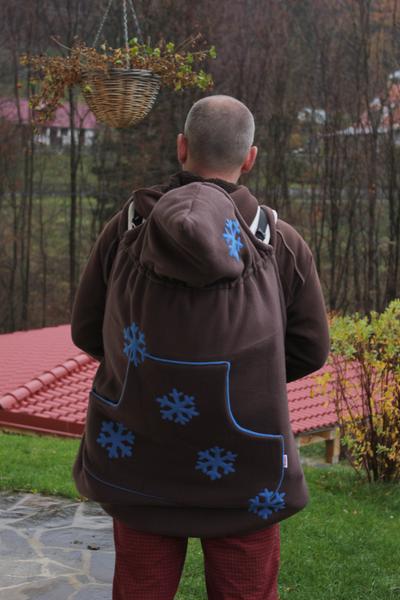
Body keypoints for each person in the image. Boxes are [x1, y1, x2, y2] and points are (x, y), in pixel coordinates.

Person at [71, 95, 330, 600]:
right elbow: (311, 348)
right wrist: (244, 377)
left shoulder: (126, 230)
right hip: (246, 468)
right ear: (249, 158)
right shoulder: (280, 242)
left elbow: (86, 330)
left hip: (138, 460)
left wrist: (151, 374)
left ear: (182, 147)